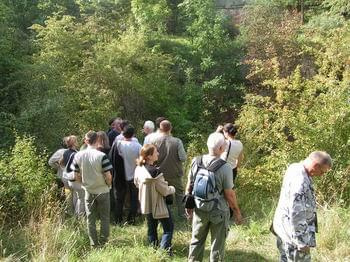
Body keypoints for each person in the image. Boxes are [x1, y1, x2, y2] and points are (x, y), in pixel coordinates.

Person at [186, 132, 243, 262]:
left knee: (196, 241)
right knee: (217, 244)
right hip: (219, 211)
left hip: (199, 207)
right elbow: (229, 194)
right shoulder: (225, 167)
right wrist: (237, 212)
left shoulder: (196, 161)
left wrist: (188, 205)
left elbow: (189, 184)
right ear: (221, 149)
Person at [272, 151, 332, 262]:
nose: (322, 175)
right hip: (293, 235)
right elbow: (296, 212)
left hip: (283, 228)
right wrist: (301, 242)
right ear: (315, 166)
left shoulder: (294, 167)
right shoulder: (300, 180)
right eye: (322, 171)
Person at [71, 131, 113, 247]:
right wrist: (108, 185)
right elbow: (108, 175)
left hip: (88, 191)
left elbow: (75, 176)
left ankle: (93, 243)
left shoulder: (78, 155)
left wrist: (83, 183)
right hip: (103, 190)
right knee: (105, 217)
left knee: (90, 218)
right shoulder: (101, 156)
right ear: (97, 140)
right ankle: (104, 242)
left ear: (86, 141)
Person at [134, 144, 175, 254]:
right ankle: (163, 252)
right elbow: (165, 190)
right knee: (168, 228)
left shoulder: (139, 168)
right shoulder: (155, 172)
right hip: (159, 204)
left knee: (152, 228)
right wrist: (172, 188)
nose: (158, 154)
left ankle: (153, 250)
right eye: (156, 152)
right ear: (149, 156)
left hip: (146, 204)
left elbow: (136, 183)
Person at [153, 120, 187, 217]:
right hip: (175, 173)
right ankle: (182, 214)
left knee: (160, 194)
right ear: (170, 128)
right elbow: (183, 158)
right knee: (179, 194)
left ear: (160, 128)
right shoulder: (177, 141)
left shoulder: (154, 141)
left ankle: (163, 214)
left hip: (159, 173)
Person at [114, 125, 142, 224]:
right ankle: (131, 219)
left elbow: (113, 159)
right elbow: (141, 160)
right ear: (133, 134)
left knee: (120, 199)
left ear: (123, 134)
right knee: (134, 198)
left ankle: (118, 219)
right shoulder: (138, 146)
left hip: (120, 175)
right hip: (134, 175)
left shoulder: (118, 144)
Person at [61, 135, 85, 216]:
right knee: (80, 197)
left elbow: (61, 162)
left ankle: (73, 214)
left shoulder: (65, 152)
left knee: (75, 195)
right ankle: (78, 215)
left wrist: (63, 168)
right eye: (76, 141)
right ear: (74, 143)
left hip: (68, 177)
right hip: (75, 177)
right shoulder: (76, 154)